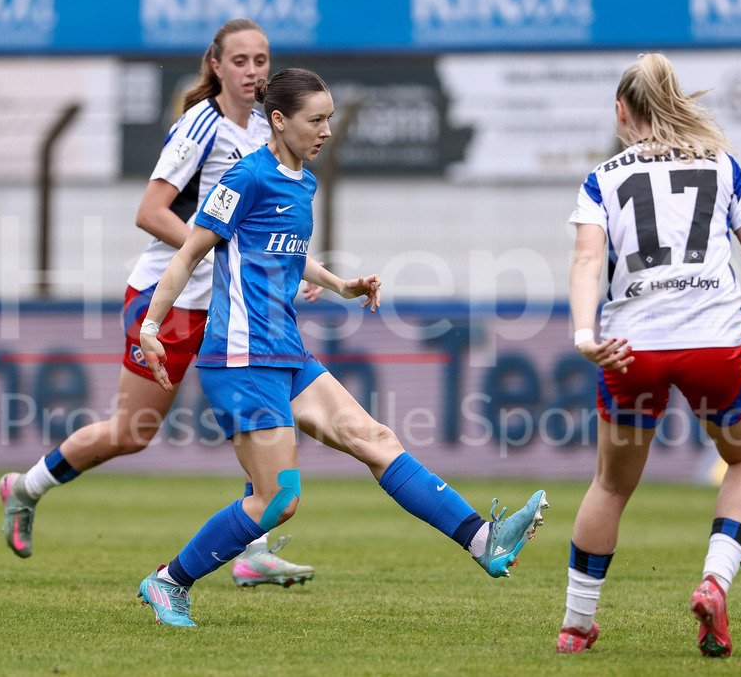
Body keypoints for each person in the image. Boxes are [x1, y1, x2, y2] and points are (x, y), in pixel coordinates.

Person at [135, 67, 549, 627]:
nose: (327, 130)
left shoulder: (301, 180)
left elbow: (285, 250)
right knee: (276, 501)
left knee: (375, 439)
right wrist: (151, 326)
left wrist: (340, 284)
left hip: (286, 350)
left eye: (331, 118)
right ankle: (169, 581)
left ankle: (483, 539)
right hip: (241, 357)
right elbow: (189, 253)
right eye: (317, 119)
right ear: (279, 120)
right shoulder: (245, 177)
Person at [0, 18, 315, 587]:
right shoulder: (201, 124)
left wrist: (284, 267)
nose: (253, 71)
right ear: (215, 65)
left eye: (261, 60)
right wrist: (216, 251)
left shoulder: (265, 134)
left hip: (225, 305)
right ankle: (26, 487)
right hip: (166, 300)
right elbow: (150, 212)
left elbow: (252, 232)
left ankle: (252, 550)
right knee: (132, 431)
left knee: (260, 412)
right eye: (240, 61)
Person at [556, 53, 741, 658]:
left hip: (633, 347)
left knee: (610, 486)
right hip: (713, 342)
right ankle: (715, 581)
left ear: (621, 112)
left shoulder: (603, 177)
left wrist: (585, 335)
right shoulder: (721, 165)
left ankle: (577, 626)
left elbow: (587, 262)